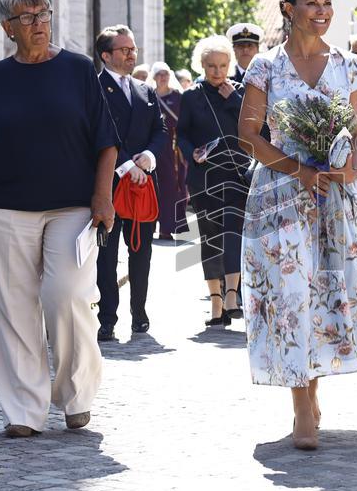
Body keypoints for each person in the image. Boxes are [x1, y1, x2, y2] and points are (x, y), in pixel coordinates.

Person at [238, 0, 357, 450]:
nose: (322, 11)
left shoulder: (349, 65)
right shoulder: (265, 66)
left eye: (327, 3)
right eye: (311, 3)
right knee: (290, 294)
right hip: (280, 194)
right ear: (288, 9)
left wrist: (348, 171)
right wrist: (300, 171)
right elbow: (248, 135)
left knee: (325, 295)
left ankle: (313, 388)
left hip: (337, 200)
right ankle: (301, 405)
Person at [0, 0, 117, 437]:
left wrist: (103, 197)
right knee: (13, 306)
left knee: (67, 296)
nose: (38, 23)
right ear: (8, 28)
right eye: (26, 17)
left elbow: (106, 140)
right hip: (8, 206)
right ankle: (24, 411)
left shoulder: (78, 69)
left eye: (43, 14)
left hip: (73, 206)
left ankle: (75, 394)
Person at [95, 26, 168, 342]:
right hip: (109, 185)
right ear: (106, 55)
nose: (131, 54)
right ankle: (107, 319)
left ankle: (139, 314)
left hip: (143, 187)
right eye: (124, 50)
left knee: (141, 251)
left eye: (133, 49)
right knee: (106, 256)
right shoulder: (95, 89)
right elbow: (100, 131)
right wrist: (126, 166)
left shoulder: (145, 90)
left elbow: (160, 130)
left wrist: (148, 158)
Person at [178, 36, 257, 328]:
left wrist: (234, 99)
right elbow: (181, 134)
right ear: (201, 65)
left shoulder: (240, 92)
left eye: (223, 65)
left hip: (236, 174)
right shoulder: (191, 96)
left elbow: (256, 126)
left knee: (234, 231)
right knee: (210, 237)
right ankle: (215, 302)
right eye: (211, 66)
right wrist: (192, 152)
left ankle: (233, 294)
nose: (217, 71)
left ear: (229, 65)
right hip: (205, 176)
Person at [145, 62, 189, 240]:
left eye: (165, 74)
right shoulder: (148, 96)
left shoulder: (178, 96)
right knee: (151, 186)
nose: (163, 77)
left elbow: (186, 121)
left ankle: (167, 227)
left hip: (173, 148)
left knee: (172, 187)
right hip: (152, 147)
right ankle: (148, 225)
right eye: (159, 74)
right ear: (154, 77)